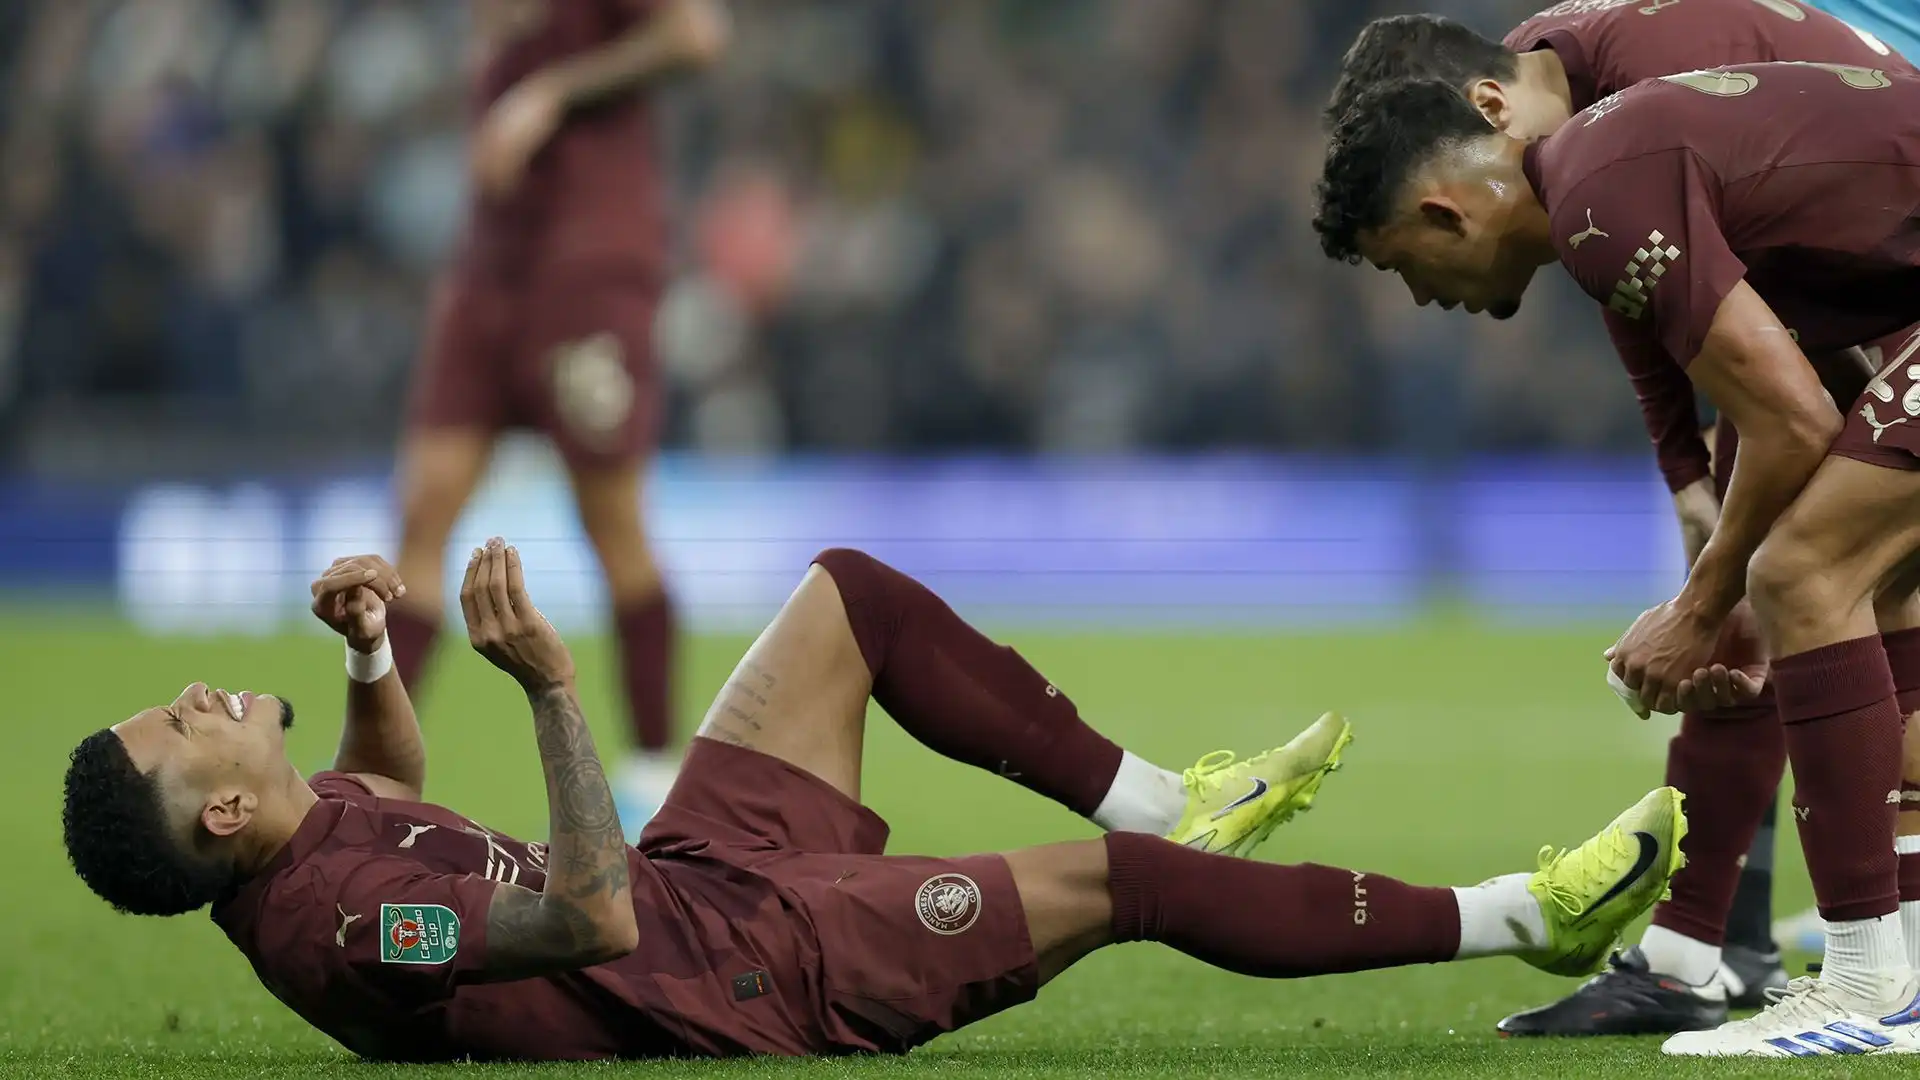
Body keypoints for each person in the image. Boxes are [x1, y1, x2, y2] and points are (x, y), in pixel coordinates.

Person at [61, 541, 1684, 1062]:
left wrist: (364, 662)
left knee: (842, 596)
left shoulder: (317, 848)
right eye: (181, 730)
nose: (203, 699)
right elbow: (589, 918)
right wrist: (558, 692)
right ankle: (1530, 918)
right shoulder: (347, 928)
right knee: (1123, 902)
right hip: (732, 971)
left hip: (696, 879)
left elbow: (385, 792)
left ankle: (1157, 797)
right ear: (213, 820)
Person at [1320, 5, 1920, 1035]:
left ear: (1444, 212)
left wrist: (1703, 601)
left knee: (1804, 574)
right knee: (1862, 580)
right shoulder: (1597, 155)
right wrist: (1711, 541)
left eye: (1400, 267)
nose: (1421, 299)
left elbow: (1787, 418)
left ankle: (1864, 985)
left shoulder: (1602, 174)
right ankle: (1884, 957)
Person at [386, 0, 730, 835]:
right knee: (423, 508)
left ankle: (654, 771)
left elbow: (695, 35)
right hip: (490, 264)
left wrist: (552, 90)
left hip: (589, 263)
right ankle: (372, 773)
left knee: (610, 520)